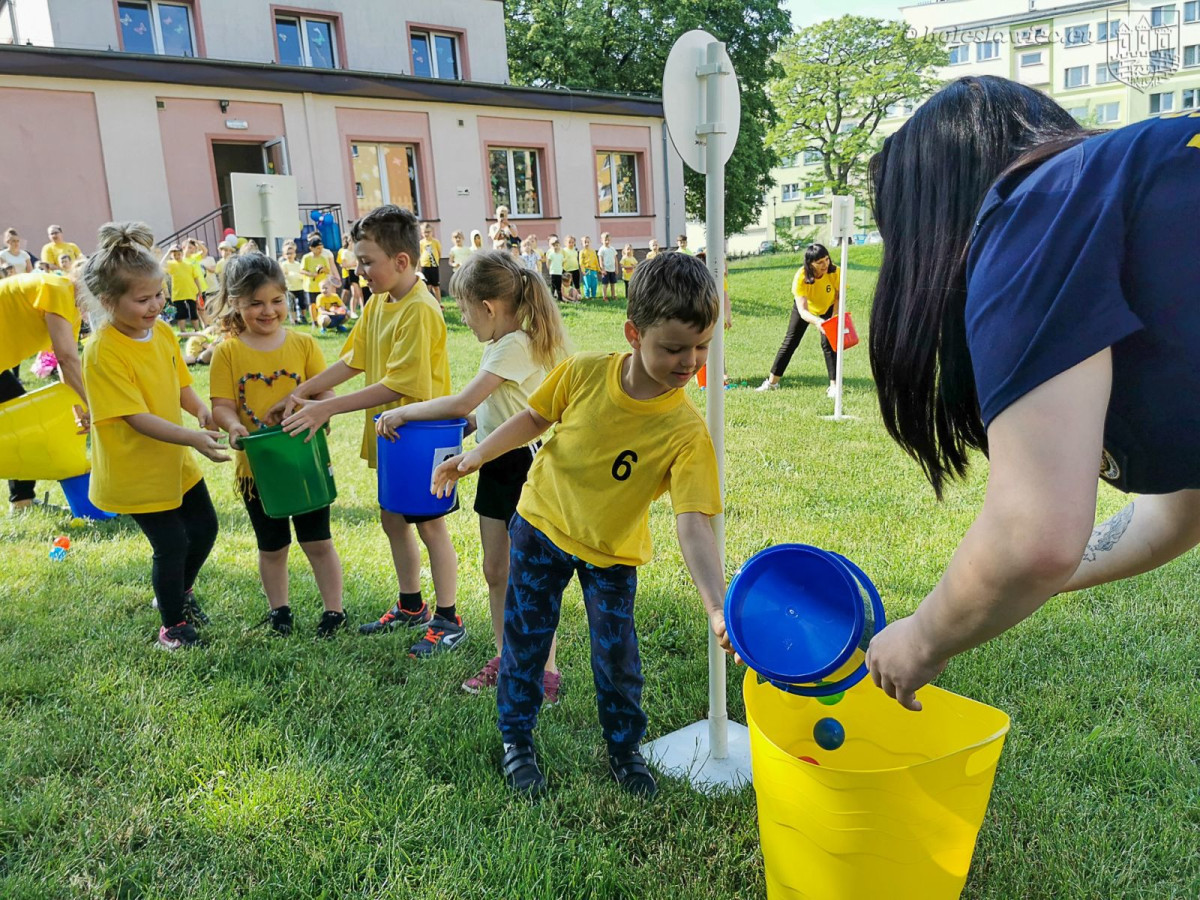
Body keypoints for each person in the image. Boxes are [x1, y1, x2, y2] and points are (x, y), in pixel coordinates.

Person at [863, 75, 1200, 710]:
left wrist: (923, 638)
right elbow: (1178, 514)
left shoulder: (1035, 209)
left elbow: (1034, 538)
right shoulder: (1133, 191)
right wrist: (995, 589)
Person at [432, 251, 731, 798]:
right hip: (541, 526)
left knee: (618, 658)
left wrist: (716, 605)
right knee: (525, 641)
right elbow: (532, 417)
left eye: (702, 347)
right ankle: (516, 740)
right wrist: (476, 457)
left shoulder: (688, 433)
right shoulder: (586, 372)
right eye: (673, 348)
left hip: (612, 554)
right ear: (633, 333)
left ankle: (625, 752)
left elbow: (693, 523)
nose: (689, 362)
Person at [377, 250, 568, 698]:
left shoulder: (515, 343)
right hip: (495, 463)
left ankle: (546, 671)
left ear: (488, 308)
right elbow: (485, 409)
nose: (464, 320)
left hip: (524, 466)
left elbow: (464, 400)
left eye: (464, 310)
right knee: (496, 570)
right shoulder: (500, 346)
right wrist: (465, 427)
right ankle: (506, 657)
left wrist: (405, 412)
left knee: (530, 575)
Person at [279, 204, 461, 655]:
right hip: (391, 437)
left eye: (366, 261)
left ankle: (449, 617)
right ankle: (411, 605)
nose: (359, 271)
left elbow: (399, 384)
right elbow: (351, 360)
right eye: (357, 261)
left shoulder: (420, 309)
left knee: (429, 524)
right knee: (392, 518)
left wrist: (328, 410)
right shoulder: (380, 302)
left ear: (401, 261)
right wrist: (303, 393)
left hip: (421, 437)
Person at [79, 222, 229, 649]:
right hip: (136, 469)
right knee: (172, 543)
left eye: (159, 294)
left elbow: (180, 383)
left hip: (173, 459)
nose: (156, 306)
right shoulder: (102, 350)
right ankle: (172, 627)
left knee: (204, 529)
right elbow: (134, 418)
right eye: (143, 299)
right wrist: (193, 438)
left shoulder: (162, 332)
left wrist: (199, 410)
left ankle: (179, 592)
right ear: (108, 302)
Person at [208, 253, 347, 638]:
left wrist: (320, 411)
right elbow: (221, 406)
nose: (267, 311)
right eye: (255, 303)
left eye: (276, 300)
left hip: (306, 465)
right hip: (259, 472)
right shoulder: (228, 352)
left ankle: (334, 611)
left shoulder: (303, 344)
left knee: (318, 542)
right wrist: (234, 426)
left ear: (287, 297)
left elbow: (327, 391)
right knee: (272, 547)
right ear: (236, 303)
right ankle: (279, 612)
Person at [0, 270, 88, 512]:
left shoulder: (71, 307)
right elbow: (67, 359)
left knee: (22, 421)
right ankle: (22, 500)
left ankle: (22, 501)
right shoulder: (57, 288)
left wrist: (78, 408)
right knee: (20, 421)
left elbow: (64, 365)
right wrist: (95, 406)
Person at [755, 243, 839, 397]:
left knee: (828, 342)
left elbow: (838, 296)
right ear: (810, 264)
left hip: (828, 307)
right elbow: (802, 310)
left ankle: (834, 386)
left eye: (827, 259)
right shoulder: (801, 277)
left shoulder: (835, 272)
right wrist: (818, 322)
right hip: (806, 310)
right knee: (790, 342)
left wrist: (833, 318)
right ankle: (772, 383)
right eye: (820, 262)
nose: (825, 264)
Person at [164, 244, 202, 333]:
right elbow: (160, 264)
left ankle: (197, 330)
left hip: (190, 292)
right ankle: (183, 332)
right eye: (174, 255)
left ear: (182, 253)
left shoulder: (189, 264)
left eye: (178, 254)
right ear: (171, 256)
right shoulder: (171, 264)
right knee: (181, 314)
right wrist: (168, 252)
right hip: (178, 294)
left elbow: (196, 278)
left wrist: (199, 291)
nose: (177, 256)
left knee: (193, 312)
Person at [300, 234, 335, 319]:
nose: (320, 250)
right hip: (310, 286)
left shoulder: (323, 258)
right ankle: (314, 321)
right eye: (318, 248)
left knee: (322, 303)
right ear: (311, 248)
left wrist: (323, 269)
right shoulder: (306, 258)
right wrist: (311, 274)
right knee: (312, 304)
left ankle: (323, 319)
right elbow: (301, 270)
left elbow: (328, 270)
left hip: (322, 285)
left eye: (321, 248)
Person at [279, 240, 307, 325]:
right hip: (290, 288)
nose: (290, 255)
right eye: (287, 253)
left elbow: (302, 273)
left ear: (295, 254)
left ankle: (303, 317)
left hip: (300, 286)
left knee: (302, 304)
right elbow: (284, 274)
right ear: (284, 255)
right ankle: (294, 320)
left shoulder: (298, 264)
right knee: (292, 305)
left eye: (291, 253)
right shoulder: (284, 264)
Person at [337, 235, 364, 319]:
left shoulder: (356, 252)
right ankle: (353, 311)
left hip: (357, 272)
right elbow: (344, 265)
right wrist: (354, 264)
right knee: (357, 293)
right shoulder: (345, 252)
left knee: (359, 293)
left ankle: (361, 311)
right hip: (351, 272)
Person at [419, 222, 442, 304]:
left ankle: (439, 303)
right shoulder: (421, 243)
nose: (426, 234)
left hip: (434, 266)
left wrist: (436, 262)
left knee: (436, 286)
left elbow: (439, 253)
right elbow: (420, 253)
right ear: (422, 233)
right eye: (425, 232)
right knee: (427, 286)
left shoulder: (435, 242)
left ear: (432, 232)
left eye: (428, 232)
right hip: (425, 266)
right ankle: (427, 303)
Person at [597, 232, 618, 303]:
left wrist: (616, 268)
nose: (607, 242)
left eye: (608, 240)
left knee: (613, 283)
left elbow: (615, 259)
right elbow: (600, 260)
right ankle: (604, 296)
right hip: (605, 270)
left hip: (612, 269)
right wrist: (602, 269)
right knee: (605, 284)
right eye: (605, 240)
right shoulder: (601, 249)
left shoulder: (612, 249)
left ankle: (613, 295)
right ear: (601, 240)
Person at [579, 235, 600, 300]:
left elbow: (596, 261)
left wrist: (598, 269)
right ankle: (587, 296)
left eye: (588, 242)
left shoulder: (593, 251)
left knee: (594, 284)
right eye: (585, 242)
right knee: (587, 284)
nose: (586, 244)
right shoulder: (582, 252)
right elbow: (581, 262)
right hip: (586, 270)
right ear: (582, 244)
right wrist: (583, 270)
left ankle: (593, 295)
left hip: (593, 270)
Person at [545, 237, 565, 303]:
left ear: (559, 246)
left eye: (557, 245)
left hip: (559, 272)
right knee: (553, 286)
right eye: (555, 245)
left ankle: (560, 298)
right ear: (552, 246)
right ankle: (551, 298)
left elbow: (562, 263)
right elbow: (548, 262)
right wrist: (549, 269)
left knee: (559, 286)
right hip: (553, 272)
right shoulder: (551, 254)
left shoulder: (561, 255)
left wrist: (561, 269)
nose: (556, 247)